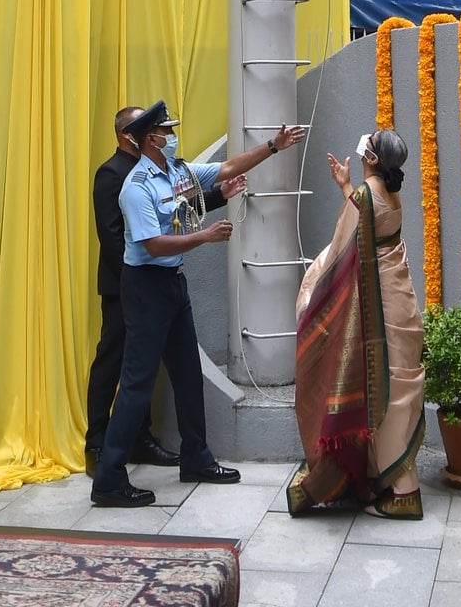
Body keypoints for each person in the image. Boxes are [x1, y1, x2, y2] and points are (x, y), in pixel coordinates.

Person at [91, 98, 307, 508]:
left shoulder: (176, 171)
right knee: (136, 383)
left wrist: (273, 147)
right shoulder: (134, 188)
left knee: (188, 375)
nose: (172, 136)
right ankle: (109, 478)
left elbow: (226, 169)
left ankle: (196, 458)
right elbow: (151, 244)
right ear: (148, 139)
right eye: (165, 131)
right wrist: (203, 237)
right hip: (145, 285)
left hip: (172, 284)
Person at [84, 105, 234, 473]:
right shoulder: (115, 175)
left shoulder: (162, 171)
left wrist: (223, 192)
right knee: (116, 367)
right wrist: (136, 284)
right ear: (131, 134)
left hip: (157, 280)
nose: (168, 135)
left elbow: (180, 201)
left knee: (158, 373)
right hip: (130, 285)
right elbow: (114, 237)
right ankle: (99, 446)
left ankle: (143, 441)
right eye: (160, 130)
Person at [286, 127, 425, 520]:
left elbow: (344, 245)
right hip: (401, 301)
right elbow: (367, 221)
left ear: (373, 159)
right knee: (398, 392)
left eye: (370, 145)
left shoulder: (366, 196)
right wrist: (347, 186)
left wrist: (315, 290)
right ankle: (396, 482)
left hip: (380, 304)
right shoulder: (391, 190)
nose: (363, 146)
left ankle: (403, 493)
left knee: (385, 394)